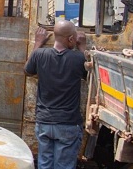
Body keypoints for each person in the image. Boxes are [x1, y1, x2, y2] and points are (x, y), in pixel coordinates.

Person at [24, 20, 87, 169]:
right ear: (71, 39)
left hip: (44, 122)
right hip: (68, 124)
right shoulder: (78, 58)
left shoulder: (39, 54)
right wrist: (82, 47)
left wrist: (37, 43)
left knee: (44, 164)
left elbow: (27, 70)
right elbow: (89, 73)